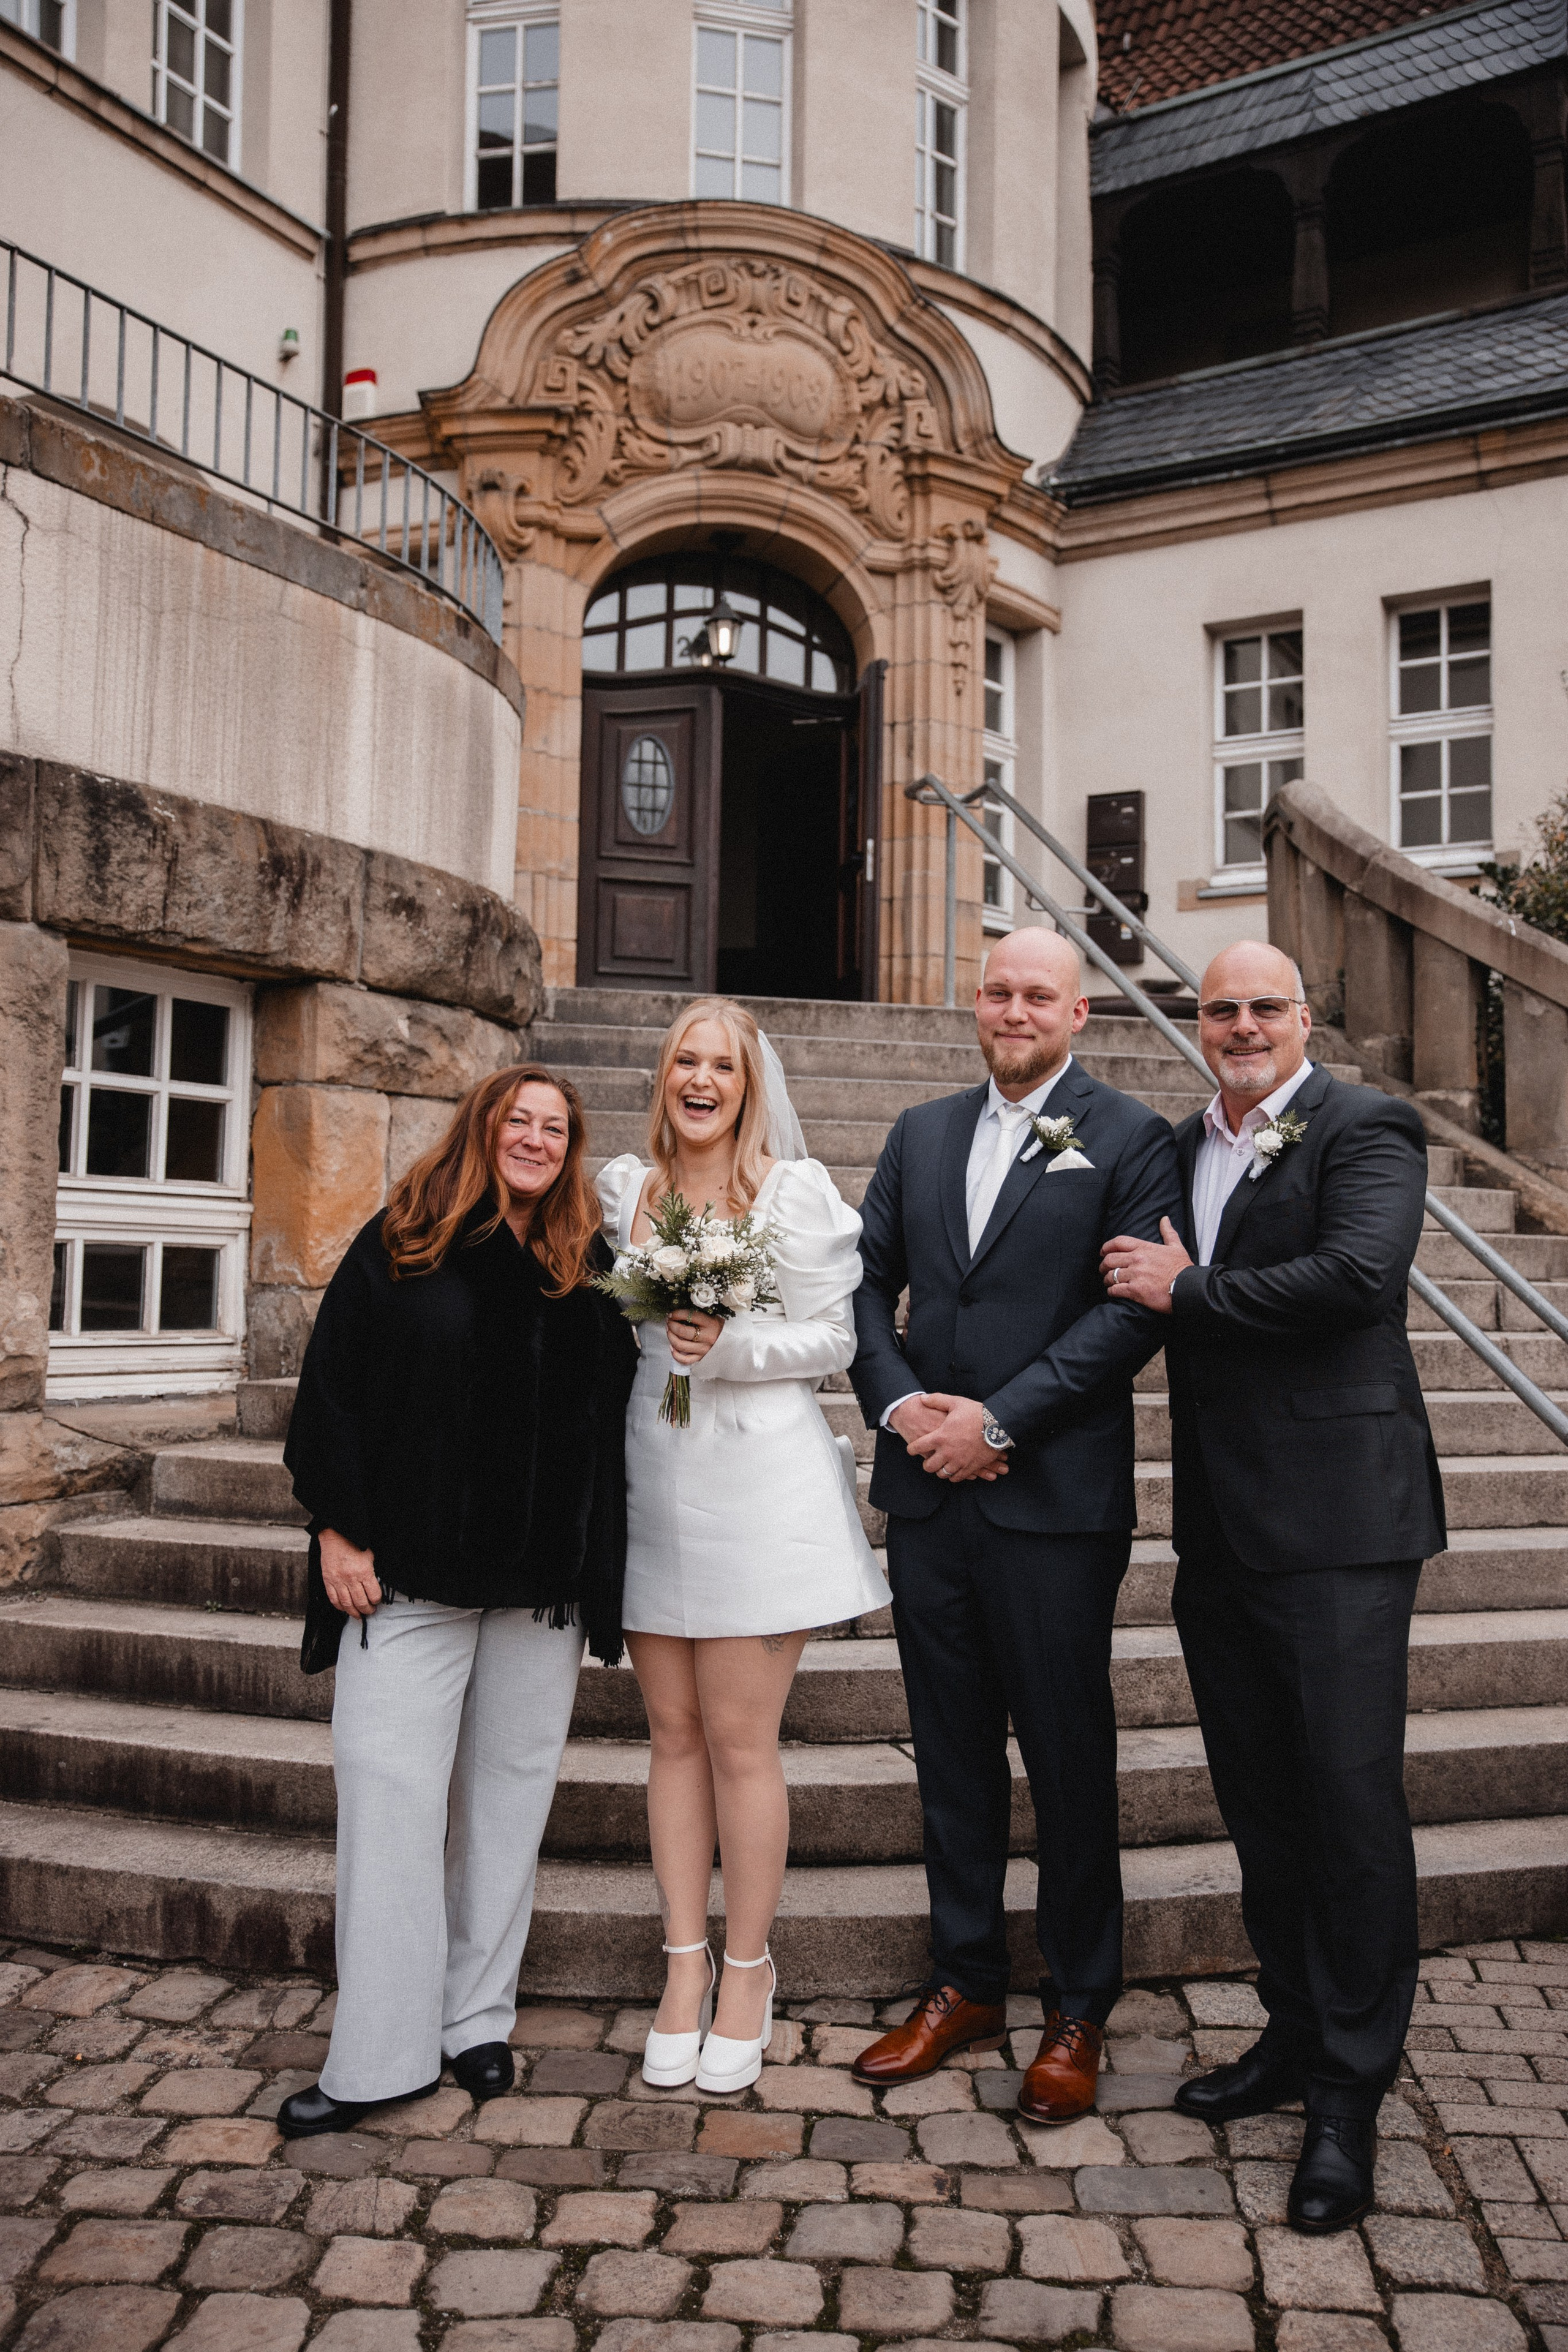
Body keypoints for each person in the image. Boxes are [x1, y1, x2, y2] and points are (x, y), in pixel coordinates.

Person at [1099, 940, 1446, 2233]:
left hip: (1342, 1525)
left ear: (1301, 1018)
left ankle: (1349, 2096)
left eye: (1261, 1007)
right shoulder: (1182, 1144)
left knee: (1348, 1809)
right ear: (1197, 1023)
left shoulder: (1365, 1125)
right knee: (1259, 1804)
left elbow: (1359, 1277)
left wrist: (1191, 1287)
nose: (1239, 1025)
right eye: (1219, 1009)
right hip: (1221, 1533)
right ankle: (1292, 2039)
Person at [848, 929, 1182, 2122]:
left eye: (1035, 993)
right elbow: (862, 1288)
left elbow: (1127, 1317)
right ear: (972, 1003)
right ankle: (964, 1981)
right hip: (927, 1497)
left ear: (1078, 1012)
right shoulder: (919, 1132)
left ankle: (1079, 2003)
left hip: (1050, 1504)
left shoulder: (1132, 1138)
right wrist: (899, 1408)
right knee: (947, 1754)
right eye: (994, 990)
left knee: (1065, 1756)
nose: (1012, 1008)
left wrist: (998, 1421)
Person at [276, 1065, 638, 2138]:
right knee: (390, 1808)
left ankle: (474, 2021)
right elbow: (331, 1388)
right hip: (409, 1579)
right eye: (517, 1121)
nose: (534, 1139)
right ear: (482, 1129)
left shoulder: (589, 1264)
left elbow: (622, 1414)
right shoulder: (402, 1241)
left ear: (570, 1151)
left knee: (507, 1809)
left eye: (554, 1128)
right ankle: (377, 2058)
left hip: (539, 1590)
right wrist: (337, 1530)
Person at [597, 997, 890, 2095]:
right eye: (686, 1059)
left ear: (751, 1083)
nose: (702, 1078)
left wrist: (725, 1345)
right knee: (670, 1737)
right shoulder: (625, 1190)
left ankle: (749, 1974)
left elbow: (836, 1339)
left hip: (761, 1485)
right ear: (665, 1076)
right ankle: (683, 1964)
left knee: (739, 1744)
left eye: (723, 1062)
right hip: (650, 1477)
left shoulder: (796, 1194)